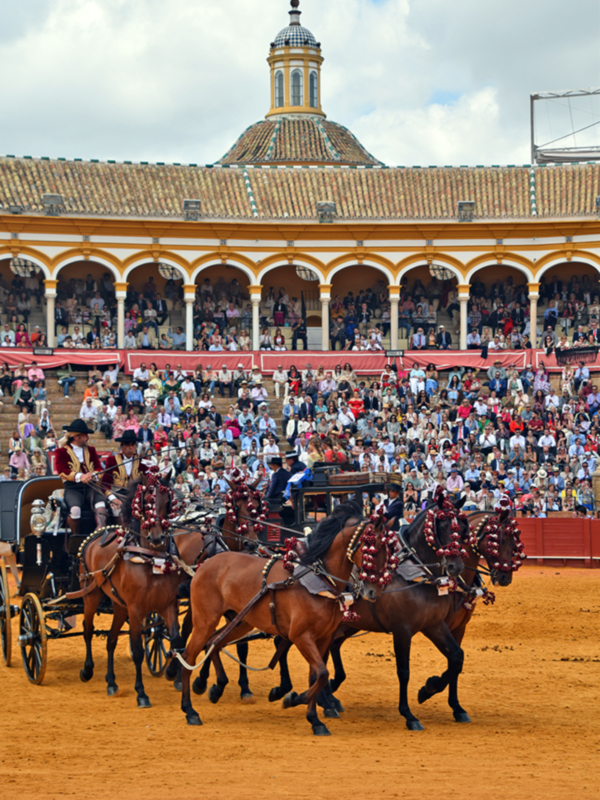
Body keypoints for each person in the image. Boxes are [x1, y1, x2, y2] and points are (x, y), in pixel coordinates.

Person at [54, 419, 107, 542]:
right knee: (75, 510)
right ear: (76, 437)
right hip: (72, 488)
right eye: (85, 435)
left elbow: (99, 468)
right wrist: (80, 476)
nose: (88, 438)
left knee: (101, 506)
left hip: (91, 487)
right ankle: (76, 538)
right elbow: (61, 470)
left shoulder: (91, 450)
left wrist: (93, 475)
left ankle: (100, 534)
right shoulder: (61, 452)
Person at [102, 429, 148, 519]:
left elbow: (147, 480)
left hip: (137, 496)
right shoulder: (111, 460)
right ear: (121, 446)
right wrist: (112, 498)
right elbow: (105, 483)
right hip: (118, 495)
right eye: (127, 445)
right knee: (116, 510)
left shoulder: (143, 460)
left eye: (133, 444)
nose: (130, 447)